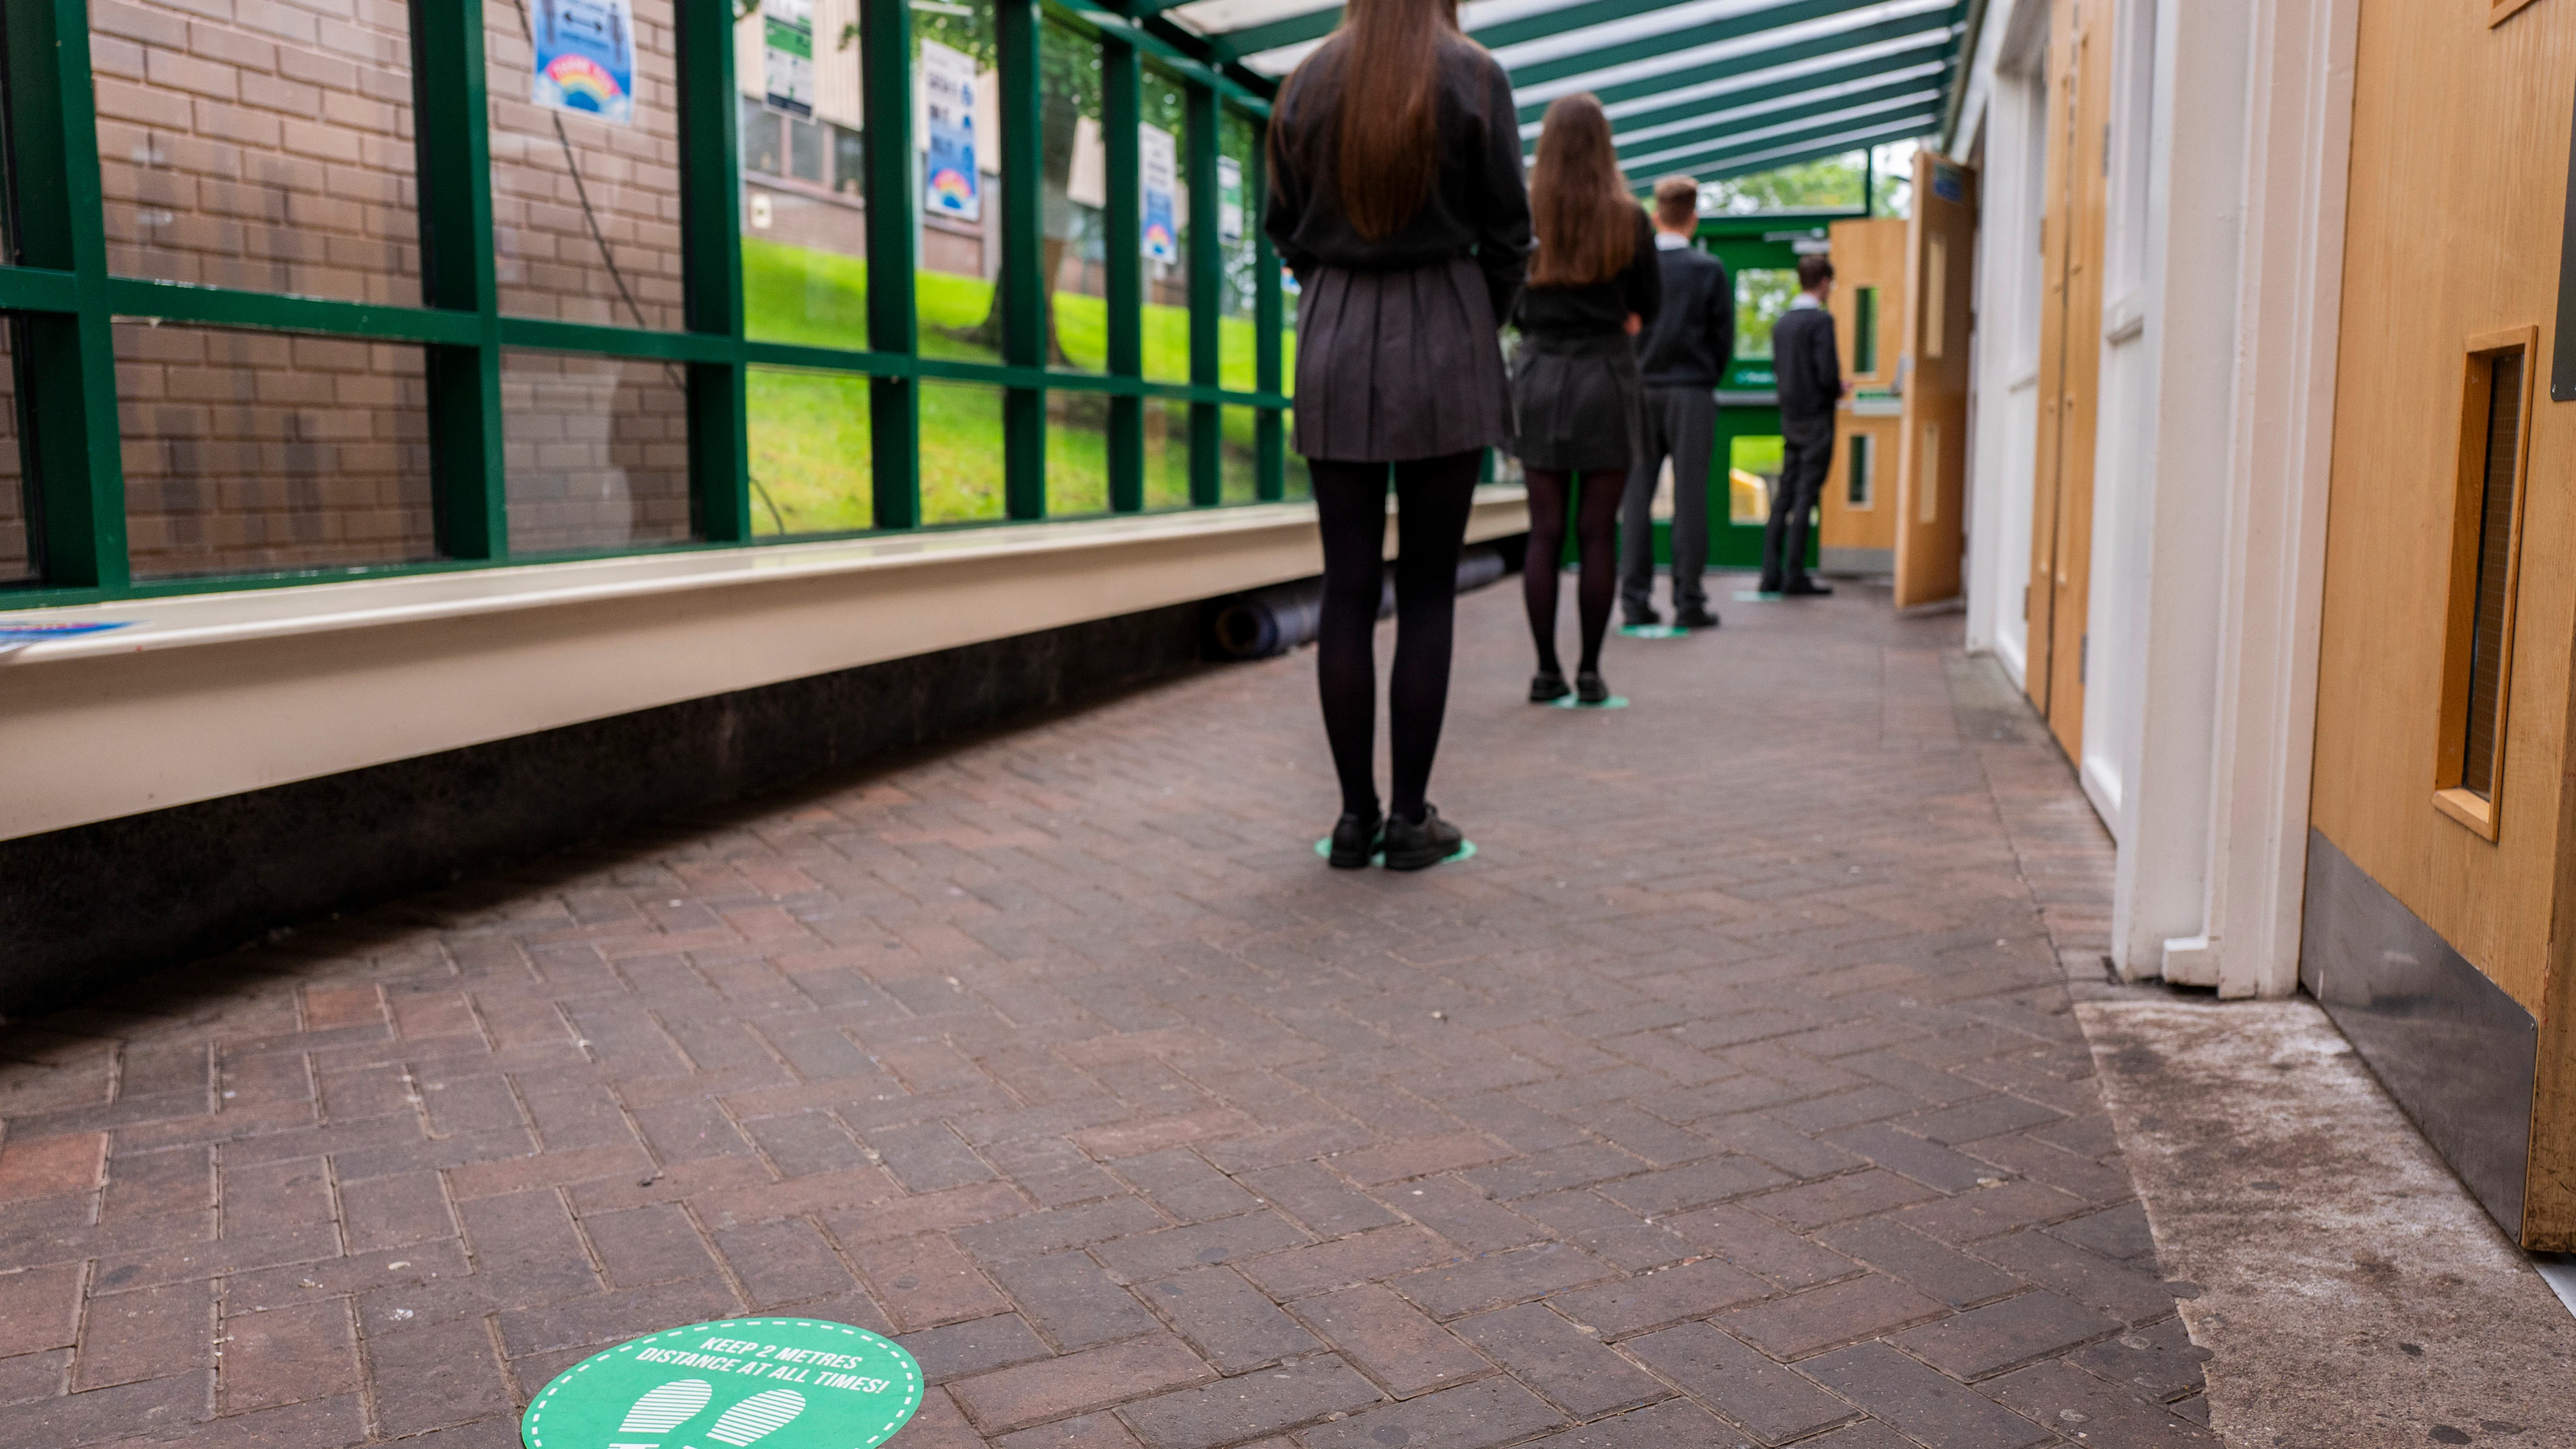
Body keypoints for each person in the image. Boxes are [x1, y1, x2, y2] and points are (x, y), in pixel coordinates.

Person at [1265, 0, 1530, 871]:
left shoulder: (1305, 80)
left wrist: (1338, 292)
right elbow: (1508, 235)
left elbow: (1283, 228)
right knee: (1425, 589)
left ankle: (1353, 820)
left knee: (1346, 586)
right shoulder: (1475, 74)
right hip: (1445, 329)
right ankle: (1412, 820)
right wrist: (1469, 322)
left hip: (1333, 332)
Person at [1511, 93, 1659, 706]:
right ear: (1606, 144)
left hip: (1539, 373)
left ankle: (1546, 671)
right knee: (1599, 532)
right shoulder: (1629, 218)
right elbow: (1648, 306)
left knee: (1543, 533)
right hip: (1606, 374)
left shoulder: (1523, 215)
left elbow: (1505, 300)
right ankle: (1592, 672)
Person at [1621, 175, 1732, 630]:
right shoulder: (1709, 270)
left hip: (1639, 390)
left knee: (1636, 495)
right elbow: (1722, 340)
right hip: (1691, 391)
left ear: (1654, 215)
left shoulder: (1632, 268)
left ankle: (1634, 600)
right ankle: (1688, 599)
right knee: (1689, 497)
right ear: (1693, 217)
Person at [1763, 252, 1848, 597]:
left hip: (1790, 417)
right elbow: (1827, 373)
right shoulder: (1821, 323)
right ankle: (1796, 573)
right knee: (1805, 495)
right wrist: (1837, 388)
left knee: (1785, 493)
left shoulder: (1782, 323)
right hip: (1816, 418)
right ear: (1824, 283)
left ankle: (1770, 573)